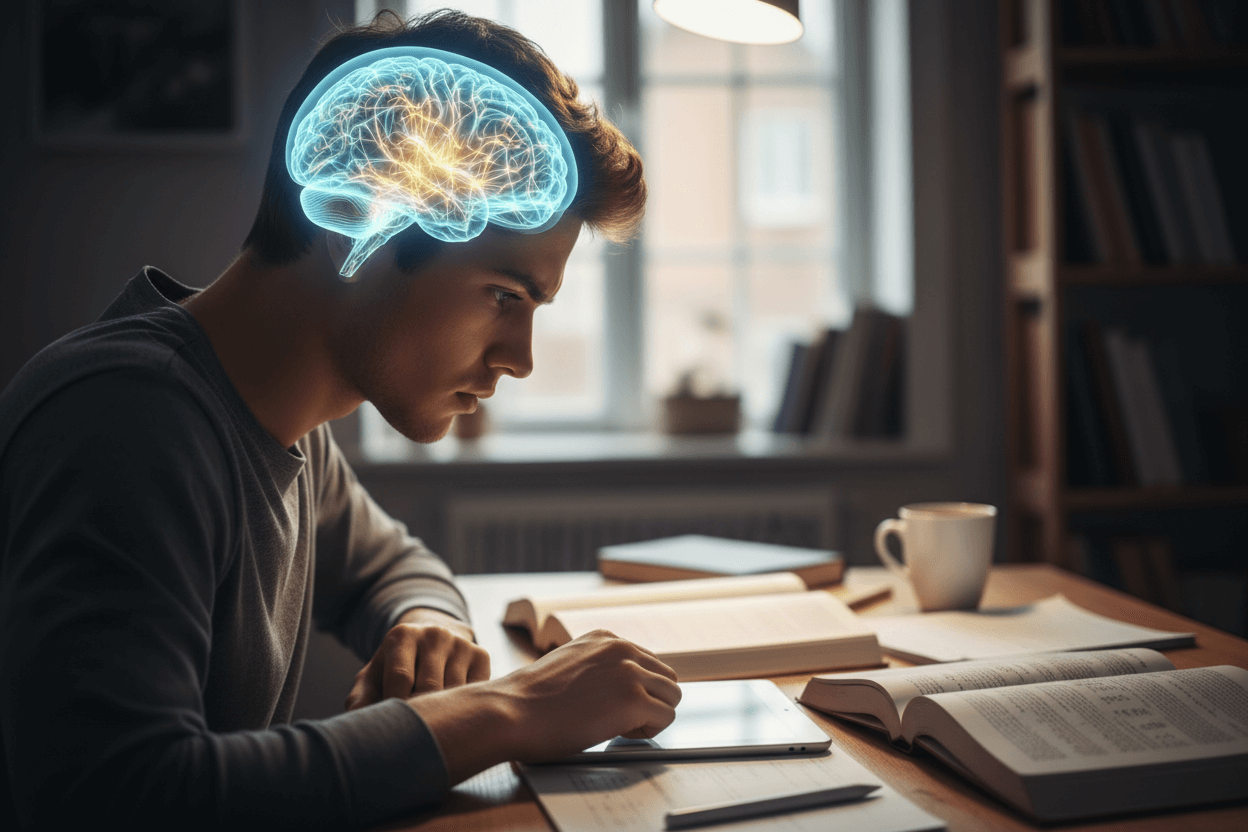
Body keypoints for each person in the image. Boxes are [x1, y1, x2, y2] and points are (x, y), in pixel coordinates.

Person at [0, 10, 680, 830]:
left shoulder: (278, 421)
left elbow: (393, 566)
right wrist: (509, 712)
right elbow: (122, 795)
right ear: (352, 218)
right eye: (505, 295)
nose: (521, 358)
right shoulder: (126, 424)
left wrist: (424, 622)